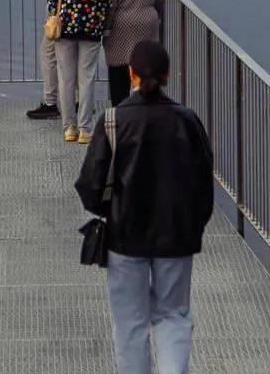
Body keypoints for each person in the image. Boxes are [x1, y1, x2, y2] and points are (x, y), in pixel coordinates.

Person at [74, 40, 214, 374]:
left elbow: (90, 187)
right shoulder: (187, 120)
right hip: (176, 236)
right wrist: (193, 226)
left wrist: (108, 209)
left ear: (131, 73)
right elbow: (203, 186)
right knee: (173, 317)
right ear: (167, 75)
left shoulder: (113, 121)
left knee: (130, 324)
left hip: (125, 236)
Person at [45, 0, 110, 144]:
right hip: (90, 29)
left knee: (66, 78)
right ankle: (85, 128)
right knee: (87, 77)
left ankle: (69, 127)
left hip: (65, 29)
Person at [103, 0, 161, 106]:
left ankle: (120, 110)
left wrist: (106, 26)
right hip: (148, 20)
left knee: (119, 69)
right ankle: (145, 107)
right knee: (144, 67)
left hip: (123, 24)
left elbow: (111, 3)